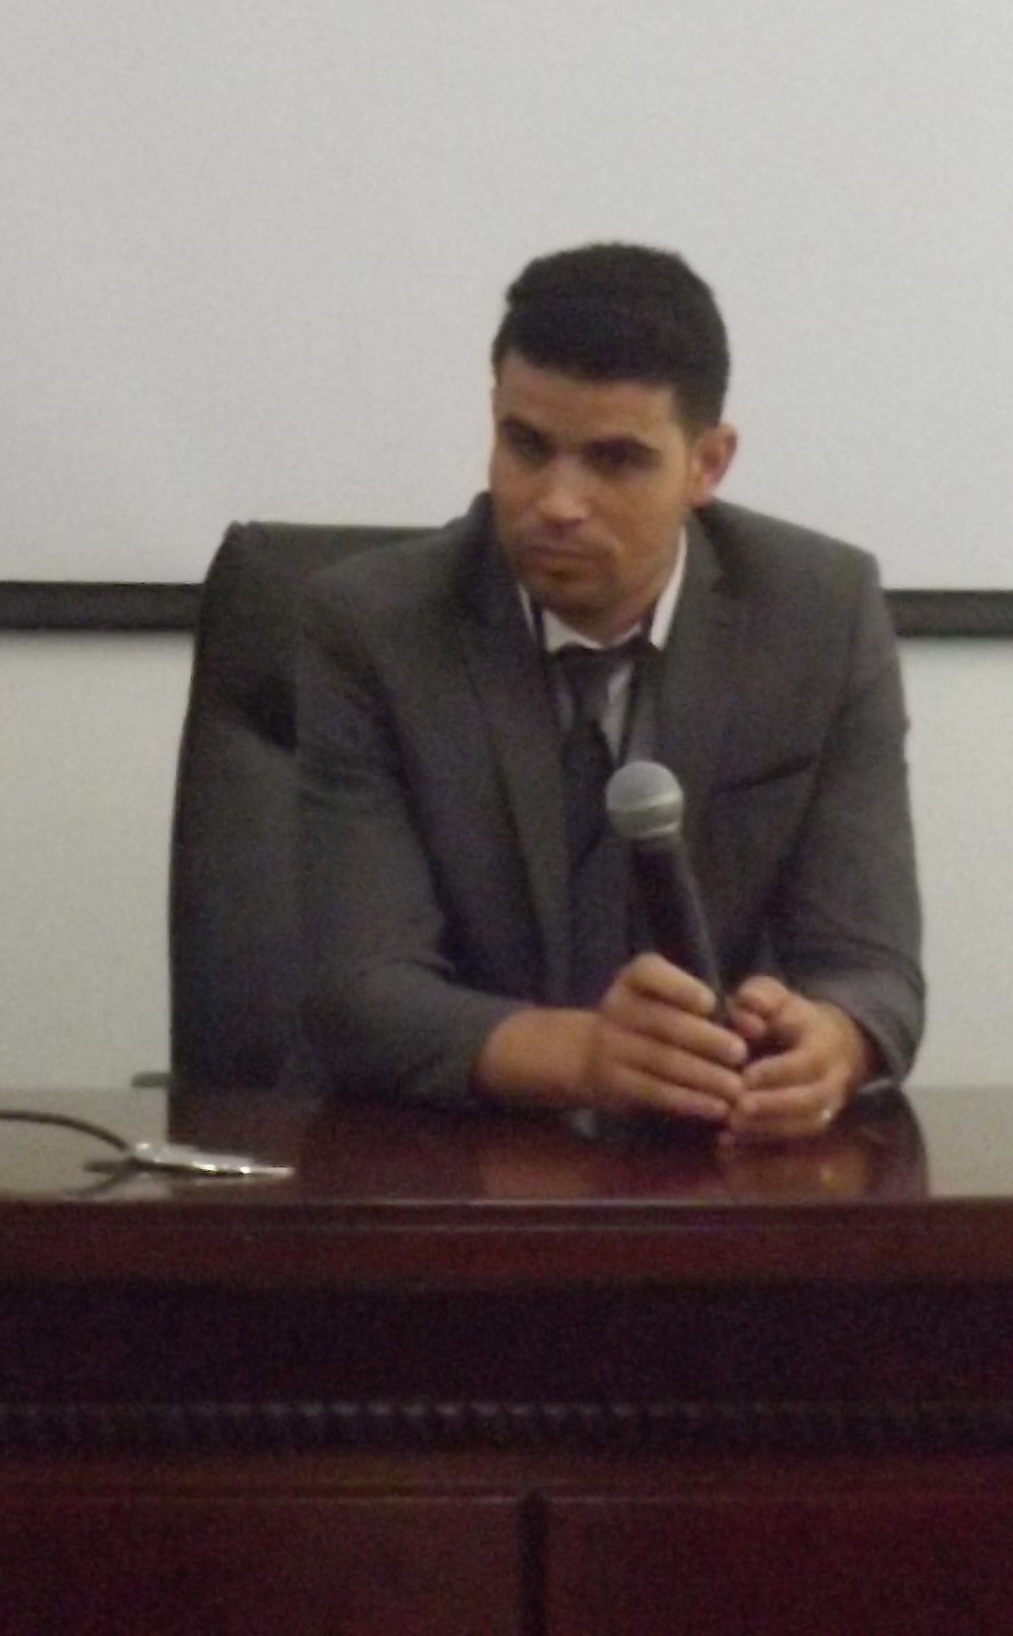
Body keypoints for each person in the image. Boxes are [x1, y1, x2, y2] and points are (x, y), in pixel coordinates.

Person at [295, 244, 923, 1136]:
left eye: (616, 460)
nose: (558, 502)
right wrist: (582, 1057)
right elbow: (361, 995)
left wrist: (834, 1040)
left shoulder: (820, 615)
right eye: (526, 446)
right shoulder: (374, 629)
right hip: (450, 1158)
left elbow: (873, 971)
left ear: (707, 464)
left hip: (718, 1162)